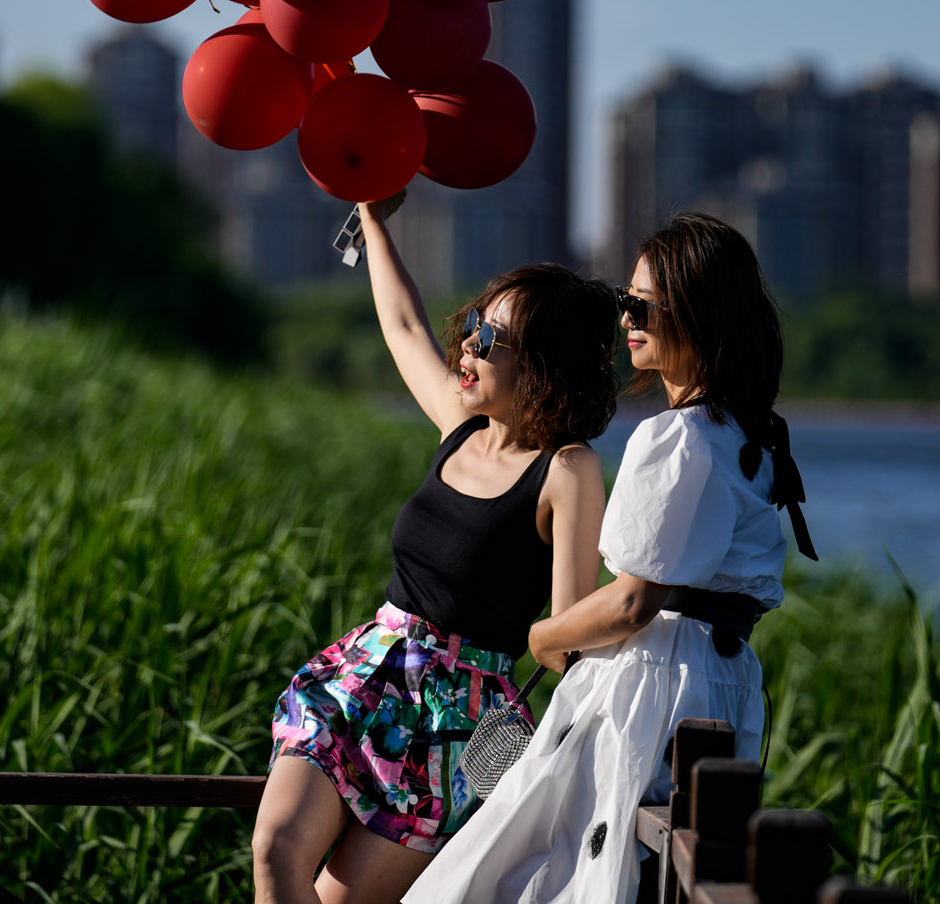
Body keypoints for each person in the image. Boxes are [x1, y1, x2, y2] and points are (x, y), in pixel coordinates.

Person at [403, 212, 818, 904]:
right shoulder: (746, 438)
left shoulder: (679, 437)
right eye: (627, 304)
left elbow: (634, 600)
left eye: (641, 306)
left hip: (651, 680)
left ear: (695, 314)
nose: (626, 318)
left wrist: (544, 635)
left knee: (535, 872)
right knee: (634, 872)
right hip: (719, 679)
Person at [252, 195, 621, 904]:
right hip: (365, 675)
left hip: (462, 724)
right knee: (275, 852)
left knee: (337, 901)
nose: (469, 347)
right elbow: (400, 322)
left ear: (542, 367)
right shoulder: (460, 426)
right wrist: (372, 220)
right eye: (475, 326)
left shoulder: (567, 470)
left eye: (492, 340)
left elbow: (566, 638)